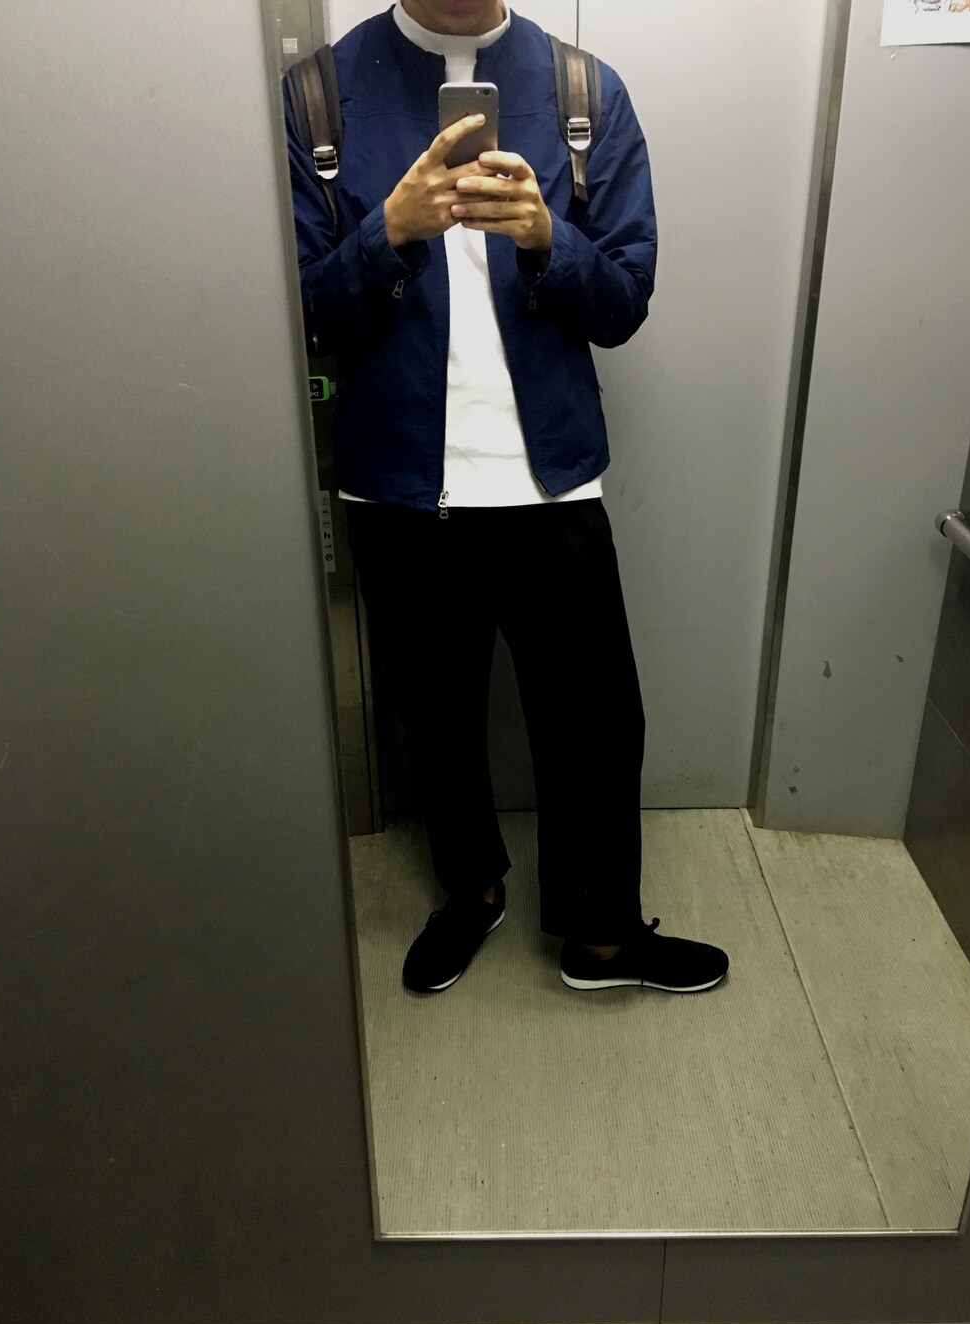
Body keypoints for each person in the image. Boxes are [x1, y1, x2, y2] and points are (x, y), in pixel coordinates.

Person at [284, 0, 729, 996]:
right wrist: (390, 232)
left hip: (549, 475)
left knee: (597, 721)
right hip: (398, 479)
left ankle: (602, 934)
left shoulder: (583, 93)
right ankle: (471, 889)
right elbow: (297, 312)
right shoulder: (318, 98)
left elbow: (622, 302)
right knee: (436, 717)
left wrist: (545, 239)